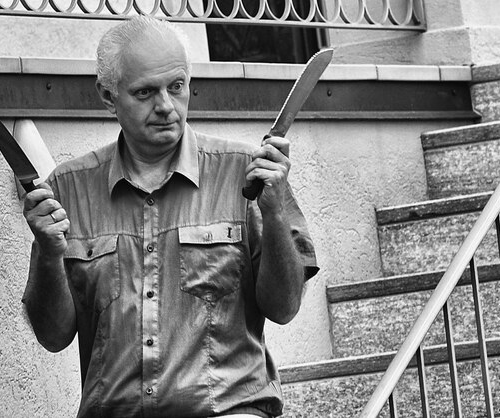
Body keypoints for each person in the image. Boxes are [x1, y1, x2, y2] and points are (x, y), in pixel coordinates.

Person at [21, 15, 318, 418]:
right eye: (145, 92)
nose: (166, 106)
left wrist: (275, 213)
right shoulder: (69, 188)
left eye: (176, 87)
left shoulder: (248, 174)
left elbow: (284, 308)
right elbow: (53, 336)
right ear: (109, 97)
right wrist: (48, 252)